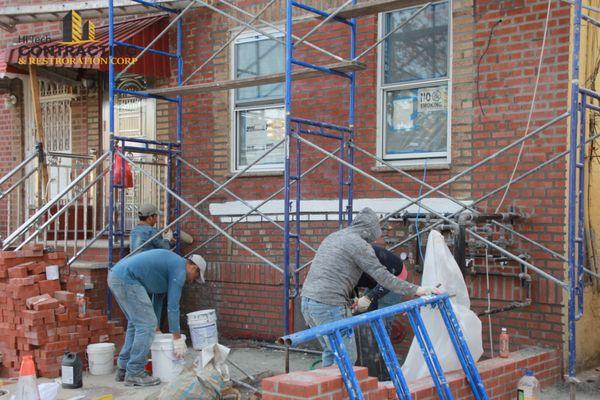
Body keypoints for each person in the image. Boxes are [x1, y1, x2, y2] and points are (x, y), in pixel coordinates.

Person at [301, 207, 440, 367]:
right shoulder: (359, 245)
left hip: (308, 302)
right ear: (370, 230)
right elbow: (384, 277)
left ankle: (326, 389)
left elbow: (335, 276)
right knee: (346, 359)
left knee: (331, 352)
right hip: (328, 306)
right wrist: (418, 290)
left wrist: (357, 300)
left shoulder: (335, 237)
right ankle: (344, 390)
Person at [108, 249, 207, 386]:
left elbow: (158, 299)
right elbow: (173, 307)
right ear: (193, 267)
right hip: (127, 279)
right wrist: (177, 338)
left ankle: (124, 368)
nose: (192, 281)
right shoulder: (179, 271)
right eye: (195, 276)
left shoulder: (172, 265)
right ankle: (135, 372)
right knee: (145, 325)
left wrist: (157, 327)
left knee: (136, 323)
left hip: (117, 276)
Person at [353, 245, 409, 313]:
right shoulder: (342, 269)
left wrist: (369, 297)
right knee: (364, 310)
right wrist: (354, 299)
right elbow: (350, 286)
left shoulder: (368, 255)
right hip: (374, 280)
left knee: (383, 312)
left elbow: (388, 281)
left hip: (394, 278)